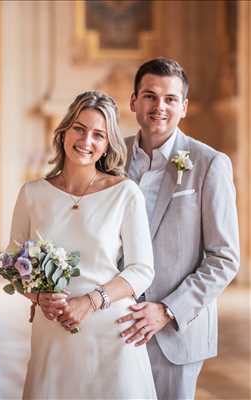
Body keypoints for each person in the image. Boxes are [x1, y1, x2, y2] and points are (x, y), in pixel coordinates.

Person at [7, 91, 157, 399]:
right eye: (79, 128)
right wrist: (37, 295)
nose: (86, 140)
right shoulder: (32, 193)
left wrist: (90, 302)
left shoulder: (125, 193)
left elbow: (142, 270)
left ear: (107, 144)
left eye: (98, 134)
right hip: (53, 333)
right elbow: (12, 264)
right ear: (63, 132)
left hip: (111, 333)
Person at [117, 57, 240, 400]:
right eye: (150, 96)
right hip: (111, 325)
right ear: (133, 102)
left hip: (173, 334)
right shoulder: (110, 157)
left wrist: (168, 310)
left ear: (184, 107)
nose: (160, 107)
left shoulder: (210, 164)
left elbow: (224, 258)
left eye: (170, 99)